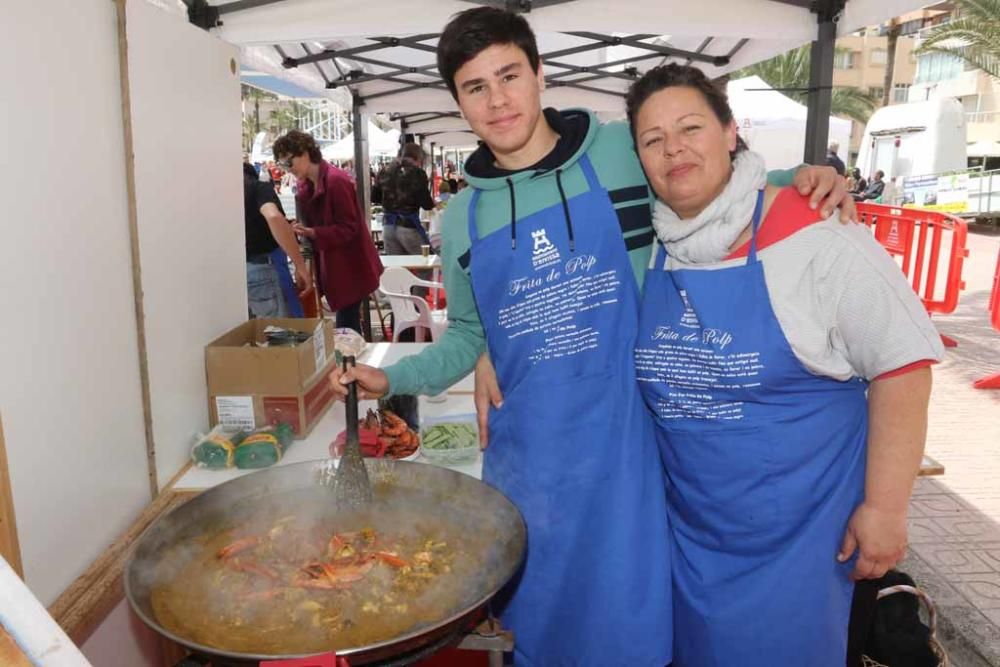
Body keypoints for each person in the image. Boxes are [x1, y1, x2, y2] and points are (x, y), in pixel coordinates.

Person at [330, 7, 855, 666]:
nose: (497, 100)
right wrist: (393, 377)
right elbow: (468, 334)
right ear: (458, 102)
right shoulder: (464, 217)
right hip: (533, 471)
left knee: (633, 638)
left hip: (631, 459)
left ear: (540, 74)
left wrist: (803, 181)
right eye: (475, 87)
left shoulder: (614, 151)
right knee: (541, 640)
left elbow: (711, 186)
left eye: (509, 76)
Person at [626, 63, 942, 666]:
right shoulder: (652, 249)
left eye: (690, 127)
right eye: (652, 139)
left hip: (805, 546)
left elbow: (903, 365)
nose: (674, 149)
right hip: (691, 540)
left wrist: (885, 509)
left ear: (730, 132)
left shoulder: (817, 233)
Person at [272, 130, 383, 333]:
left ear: (304, 153)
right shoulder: (306, 186)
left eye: (289, 163)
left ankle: (351, 364)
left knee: (346, 328)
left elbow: (350, 228)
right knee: (346, 327)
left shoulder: (336, 181)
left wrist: (313, 232)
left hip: (351, 266)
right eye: (283, 165)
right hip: (335, 267)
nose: (288, 170)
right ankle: (351, 362)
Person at [242, 162, 310, 318]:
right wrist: (300, 264)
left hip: (236, 271)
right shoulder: (258, 188)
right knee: (280, 333)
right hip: (264, 269)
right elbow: (273, 216)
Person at [378, 143, 436, 255]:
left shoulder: (384, 171)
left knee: (397, 268)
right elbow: (426, 204)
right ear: (417, 158)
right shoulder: (417, 173)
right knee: (425, 266)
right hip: (408, 226)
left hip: (388, 226)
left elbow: (375, 197)